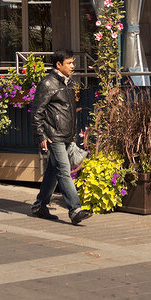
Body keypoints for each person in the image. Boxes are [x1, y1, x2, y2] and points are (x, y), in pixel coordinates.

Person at [30, 48, 92, 225]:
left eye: (73, 62)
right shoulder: (48, 84)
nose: (73, 66)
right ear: (58, 64)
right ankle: (75, 210)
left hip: (66, 135)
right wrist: (41, 135)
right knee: (64, 171)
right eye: (69, 63)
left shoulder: (68, 83)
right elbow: (36, 113)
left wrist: (72, 136)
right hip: (53, 136)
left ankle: (39, 205)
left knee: (53, 171)